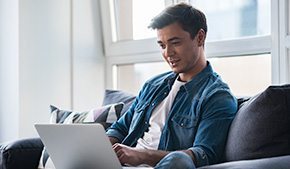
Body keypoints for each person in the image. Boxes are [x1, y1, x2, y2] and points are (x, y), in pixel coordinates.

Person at [106, 2, 238, 169]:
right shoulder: (152, 85)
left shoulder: (217, 97)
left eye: (175, 42)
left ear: (200, 37)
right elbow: (120, 128)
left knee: (179, 160)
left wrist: (140, 156)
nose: (168, 53)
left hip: (162, 166)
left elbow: (202, 154)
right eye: (162, 45)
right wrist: (98, 150)